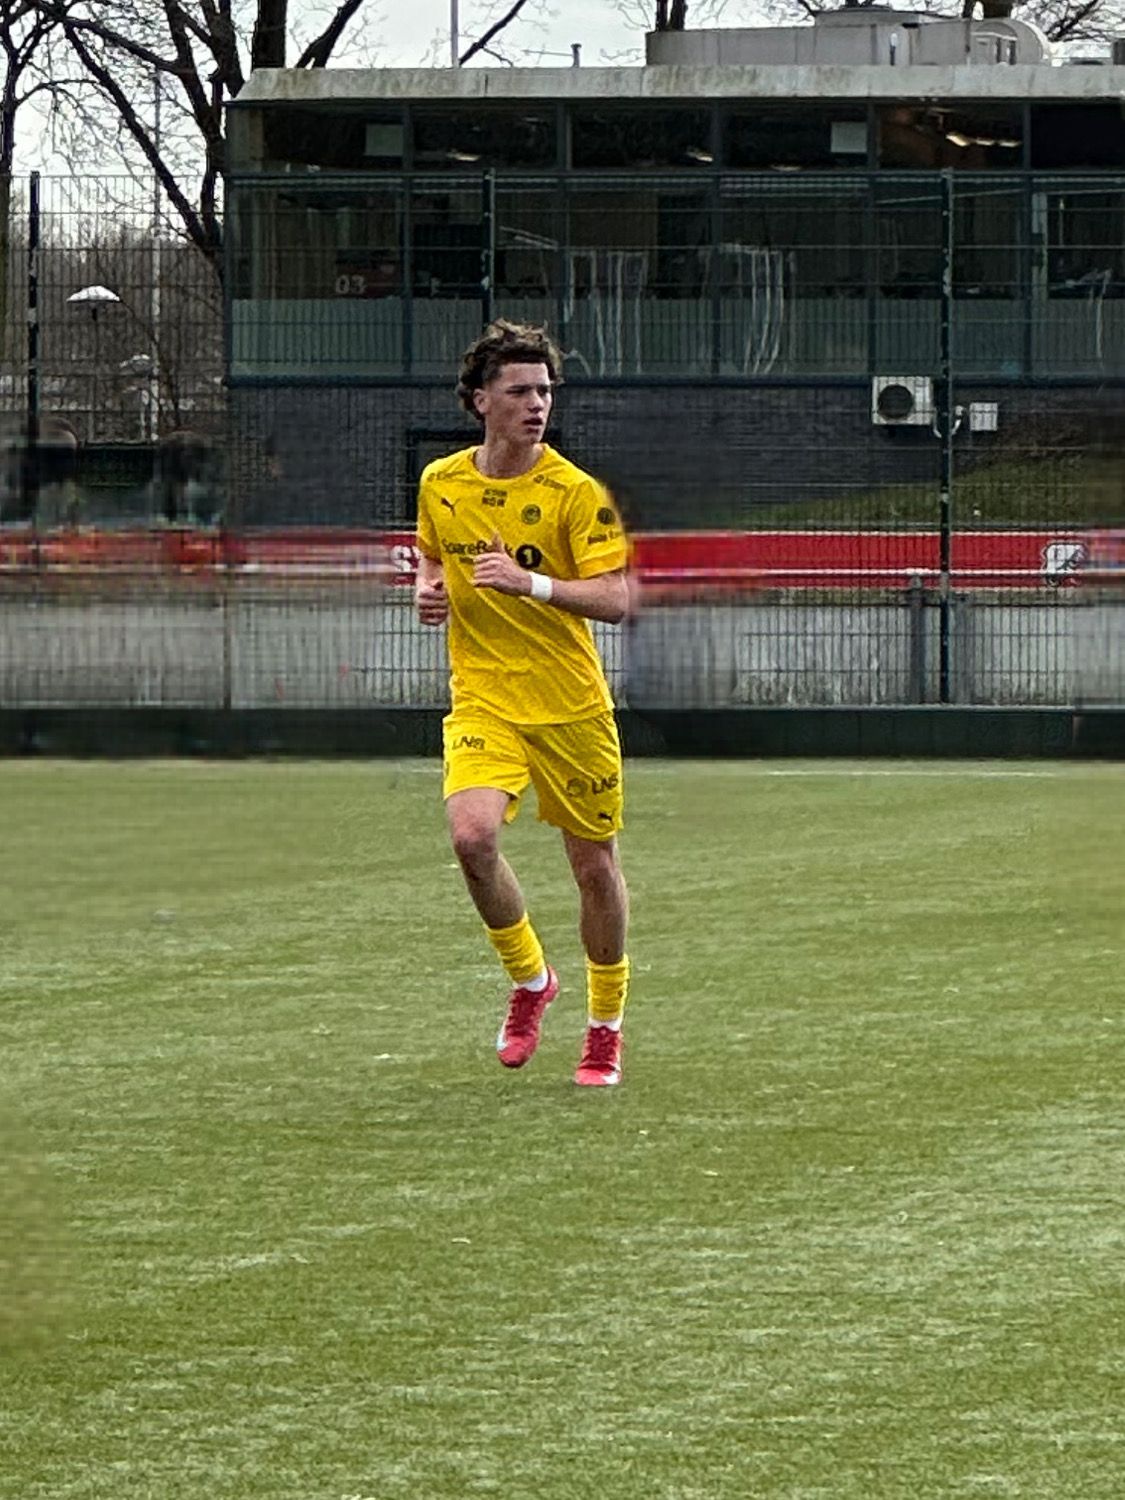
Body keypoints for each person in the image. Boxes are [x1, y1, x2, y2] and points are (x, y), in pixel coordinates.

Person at [415, 319, 632, 1086]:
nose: (536, 404)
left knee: (593, 869)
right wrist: (427, 590)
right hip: (484, 698)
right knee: (471, 838)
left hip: (569, 707)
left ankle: (604, 1029)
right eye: (519, 391)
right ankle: (532, 980)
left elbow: (616, 599)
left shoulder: (576, 493)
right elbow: (433, 557)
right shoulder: (441, 483)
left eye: (544, 391)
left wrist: (530, 583)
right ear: (480, 400)